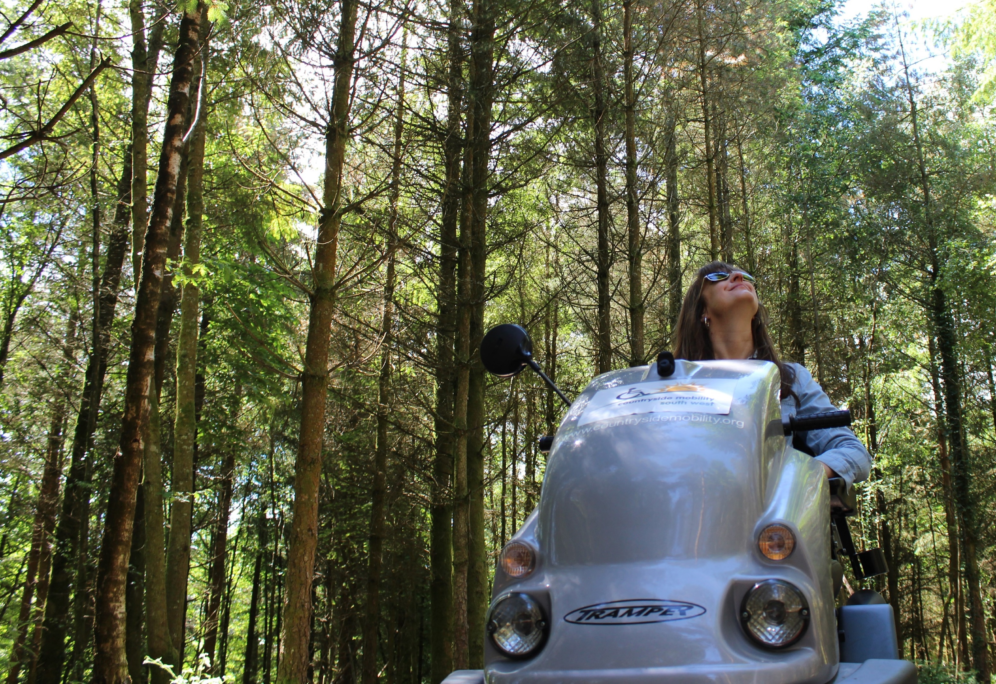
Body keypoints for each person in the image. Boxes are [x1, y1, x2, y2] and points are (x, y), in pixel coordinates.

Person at [672, 261, 871, 487]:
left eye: (746, 277)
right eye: (718, 276)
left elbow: (854, 453)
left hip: (769, 517)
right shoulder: (673, 383)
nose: (738, 277)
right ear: (701, 310)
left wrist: (799, 476)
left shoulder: (790, 378)